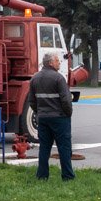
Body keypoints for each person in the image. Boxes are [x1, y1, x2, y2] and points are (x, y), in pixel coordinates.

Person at [27, 51, 75, 181]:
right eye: (57, 60)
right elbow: (66, 100)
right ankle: (67, 176)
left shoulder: (35, 78)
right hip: (59, 118)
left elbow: (31, 101)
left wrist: (39, 112)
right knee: (64, 148)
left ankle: (42, 176)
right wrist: (68, 113)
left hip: (43, 118)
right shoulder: (58, 78)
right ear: (51, 63)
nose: (59, 62)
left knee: (44, 148)